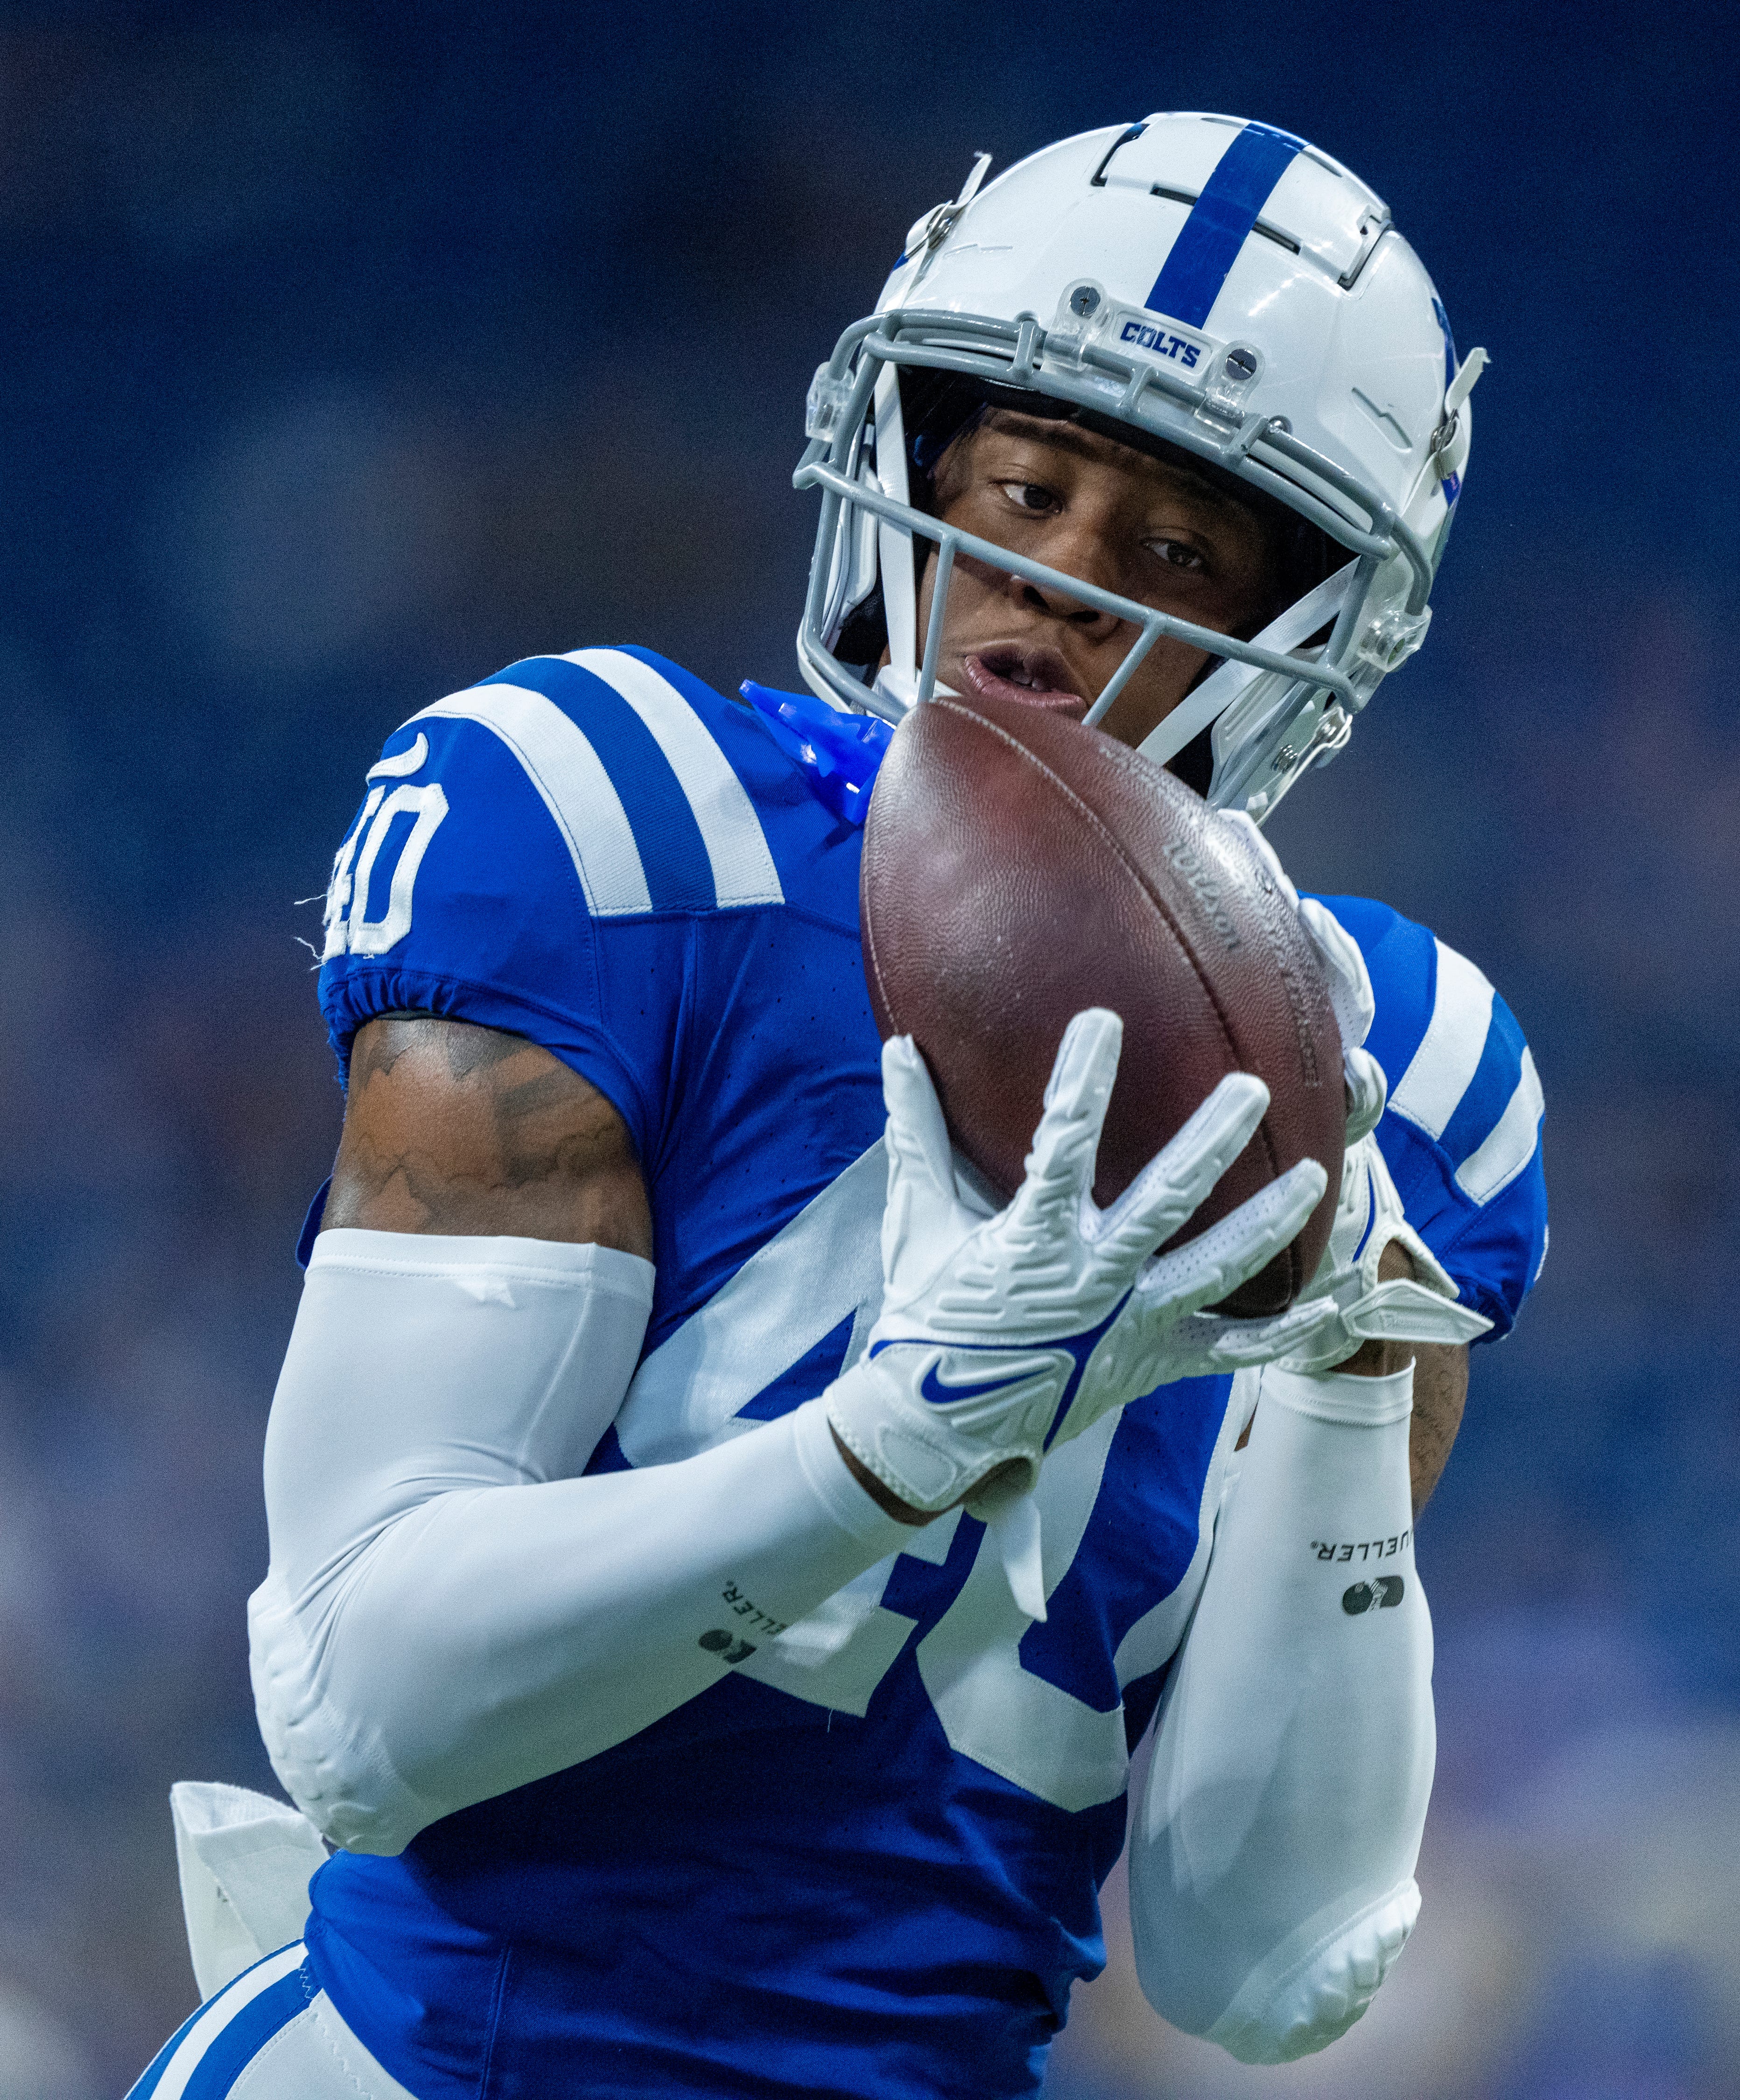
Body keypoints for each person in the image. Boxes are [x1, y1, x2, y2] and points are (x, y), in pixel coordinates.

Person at [131, 113, 1545, 2100]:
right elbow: (363, 1707)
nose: (1046, 593)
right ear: (903, 467)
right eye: (1024, 486)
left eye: (1167, 550)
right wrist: (885, 1449)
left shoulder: (1402, 1077)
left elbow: (1266, 1964)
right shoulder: (617, 834)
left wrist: (1326, 1392)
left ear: (1300, 632)